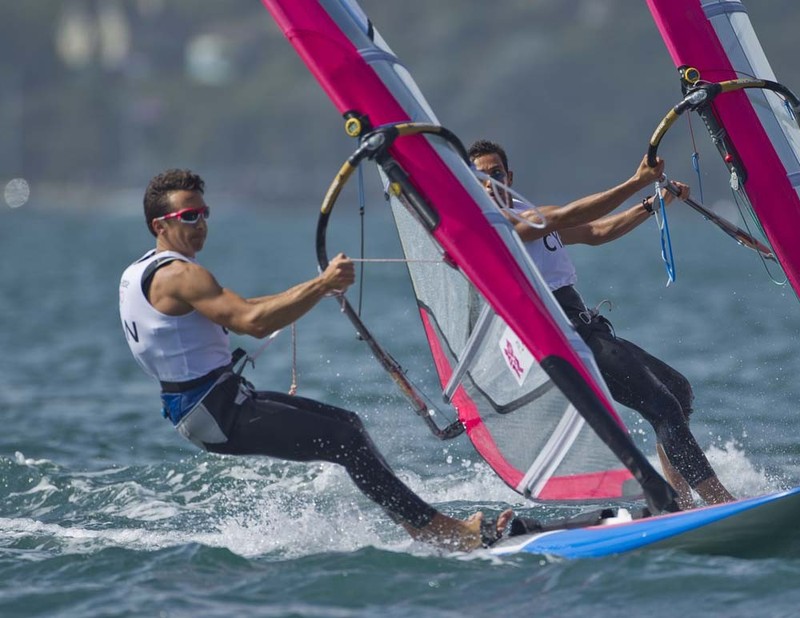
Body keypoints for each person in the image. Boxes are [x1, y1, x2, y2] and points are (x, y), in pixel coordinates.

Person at [119, 168, 511, 551]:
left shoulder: (142, 271)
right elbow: (251, 322)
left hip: (210, 407)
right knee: (347, 439)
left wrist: (314, 289)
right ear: (160, 226)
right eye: (189, 216)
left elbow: (242, 307)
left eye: (204, 213)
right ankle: (441, 532)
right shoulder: (180, 275)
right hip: (217, 411)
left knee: (347, 426)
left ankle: (423, 526)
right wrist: (323, 284)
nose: (201, 223)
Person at [468, 140, 734, 509]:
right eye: (477, 177)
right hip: (561, 336)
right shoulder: (496, 226)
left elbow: (594, 232)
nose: (488, 183)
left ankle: (682, 501)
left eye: (495, 174)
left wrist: (651, 205)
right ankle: (719, 501)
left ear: (508, 177)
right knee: (662, 406)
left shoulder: (526, 213)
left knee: (677, 390)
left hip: (587, 328)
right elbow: (565, 216)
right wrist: (637, 182)